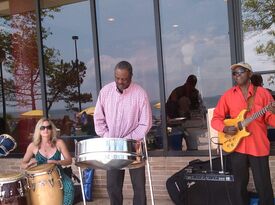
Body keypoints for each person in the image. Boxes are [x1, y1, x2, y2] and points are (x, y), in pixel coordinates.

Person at [211, 62, 275, 205]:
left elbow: (271, 120)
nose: (237, 75)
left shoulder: (263, 93)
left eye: (240, 71)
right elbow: (215, 119)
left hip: (258, 145)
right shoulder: (228, 96)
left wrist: (273, 112)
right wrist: (225, 128)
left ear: (250, 74)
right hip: (237, 146)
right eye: (234, 73)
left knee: (263, 185)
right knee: (239, 186)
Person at [94, 60, 152, 205]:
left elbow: (145, 123)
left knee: (138, 187)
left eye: (124, 79)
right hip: (113, 146)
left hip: (134, 145)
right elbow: (98, 119)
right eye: (117, 78)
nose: (120, 81)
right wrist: (109, 137)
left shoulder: (140, 94)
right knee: (113, 186)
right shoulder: (105, 92)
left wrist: (127, 140)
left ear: (131, 76)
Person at [21, 117, 74, 205]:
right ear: (39, 130)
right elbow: (23, 164)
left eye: (48, 127)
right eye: (42, 128)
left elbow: (69, 160)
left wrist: (57, 162)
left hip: (58, 174)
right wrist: (28, 164)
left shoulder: (59, 143)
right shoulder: (33, 146)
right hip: (39, 177)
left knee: (69, 187)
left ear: (52, 129)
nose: (46, 130)